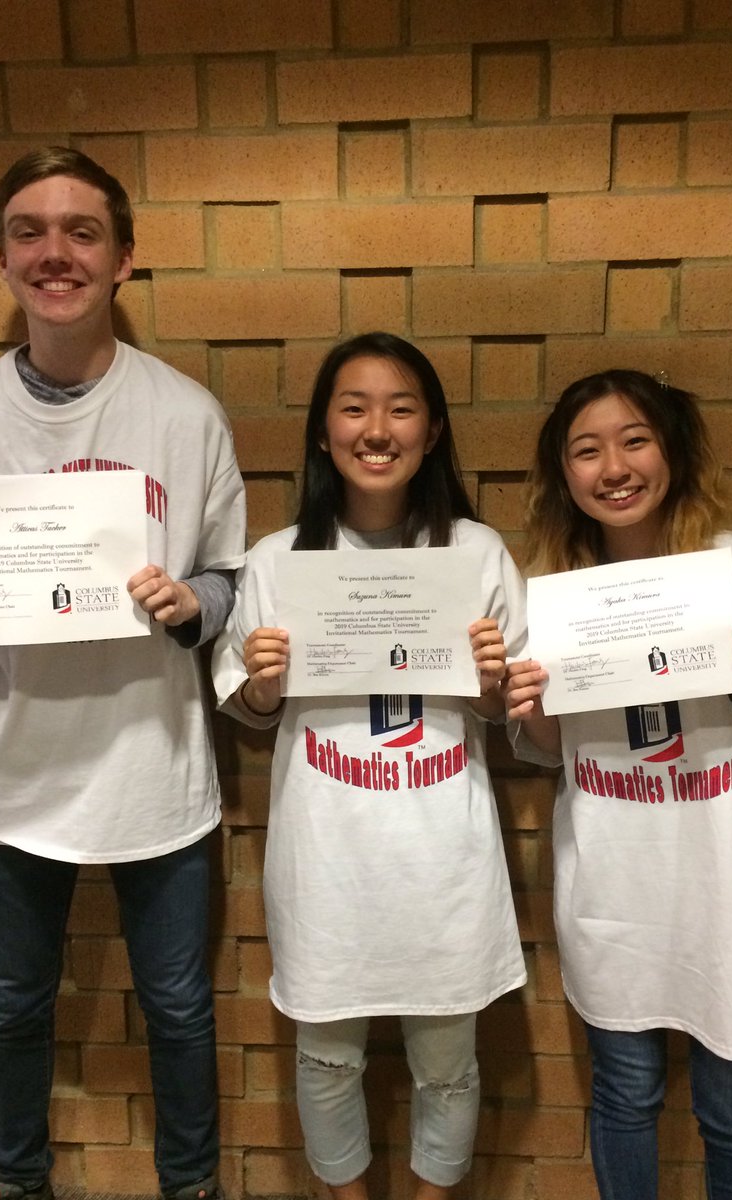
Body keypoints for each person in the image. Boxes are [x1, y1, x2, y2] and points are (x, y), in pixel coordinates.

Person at [0, 148, 246, 1200]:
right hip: (15, 785)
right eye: (29, 231)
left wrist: (196, 605)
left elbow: (232, 576)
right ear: (3, 258)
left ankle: (188, 1185)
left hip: (157, 775)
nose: (54, 251)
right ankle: (19, 1185)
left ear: (124, 258)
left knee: (181, 1006)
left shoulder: (186, 414)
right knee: (15, 1005)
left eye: (82, 231)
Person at [211, 332, 527, 1200]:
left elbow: (516, 715)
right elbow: (246, 706)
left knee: (450, 1068)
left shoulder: (476, 552)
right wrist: (269, 685)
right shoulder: (278, 561)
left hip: (442, 856)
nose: (376, 428)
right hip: (329, 860)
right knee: (324, 1059)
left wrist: (499, 684)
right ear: (322, 432)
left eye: (400, 408)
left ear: (432, 431)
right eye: (353, 407)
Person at [506, 369, 732, 1200]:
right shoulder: (556, 597)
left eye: (634, 440)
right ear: (563, 474)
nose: (614, 466)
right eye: (587, 449)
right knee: (625, 1099)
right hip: (618, 892)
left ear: (671, 450)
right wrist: (530, 708)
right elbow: (548, 750)